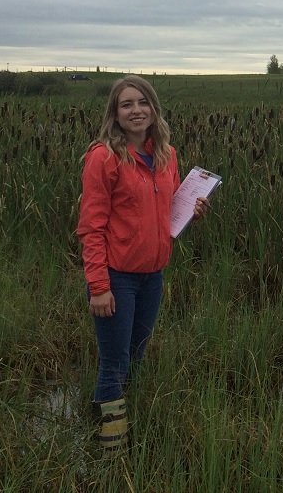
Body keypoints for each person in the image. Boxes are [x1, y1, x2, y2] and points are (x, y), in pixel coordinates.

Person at [77, 75, 209, 455]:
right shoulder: (103, 158)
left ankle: (108, 424)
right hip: (117, 277)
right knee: (115, 363)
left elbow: (167, 212)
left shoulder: (166, 155)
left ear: (153, 108)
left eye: (142, 103)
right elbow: (91, 226)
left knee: (136, 356)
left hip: (153, 275)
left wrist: (192, 211)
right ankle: (111, 457)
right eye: (126, 104)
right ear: (115, 114)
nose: (136, 110)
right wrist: (99, 286)